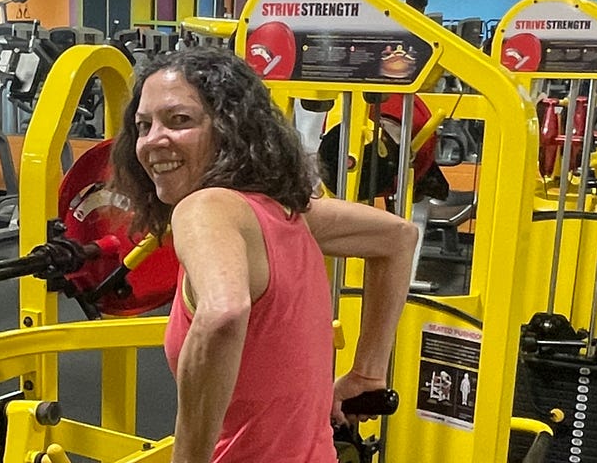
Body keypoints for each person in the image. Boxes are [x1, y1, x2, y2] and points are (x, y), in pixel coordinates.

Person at [110, 47, 418, 462]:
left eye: (179, 120)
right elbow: (398, 237)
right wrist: (367, 372)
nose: (152, 141)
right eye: (143, 126)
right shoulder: (285, 212)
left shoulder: (205, 208)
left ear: (231, 128)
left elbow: (223, 314)